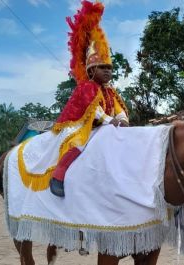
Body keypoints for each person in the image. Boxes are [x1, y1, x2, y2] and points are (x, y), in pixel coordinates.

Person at [48, 0, 129, 197]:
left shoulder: (110, 90)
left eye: (110, 68)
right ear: (92, 70)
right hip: (82, 126)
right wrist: (111, 121)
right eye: (103, 68)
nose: (108, 72)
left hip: (106, 127)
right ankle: (58, 175)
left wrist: (123, 120)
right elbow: (95, 111)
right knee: (80, 141)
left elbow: (118, 108)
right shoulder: (87, 86)